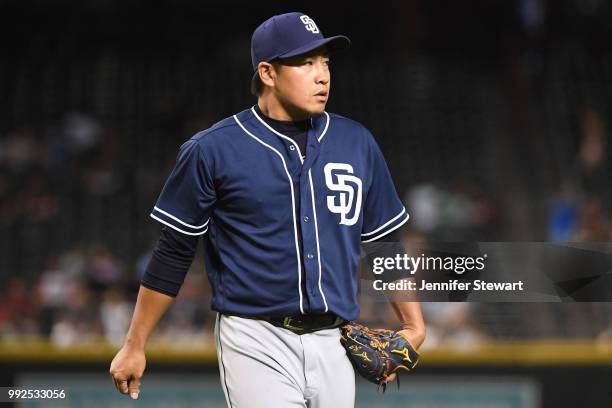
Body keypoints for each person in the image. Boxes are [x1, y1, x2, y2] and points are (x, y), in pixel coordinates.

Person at [109, 12, 425, 407]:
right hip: (256, 339)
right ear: (268, 73)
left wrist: (414, 325)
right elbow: (173, 251)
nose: (322, 74)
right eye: (305, 62)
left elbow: (385, 241)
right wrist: (134, 344)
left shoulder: (356, 142)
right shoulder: (213, 149)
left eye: (325, 61)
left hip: (335, 341)